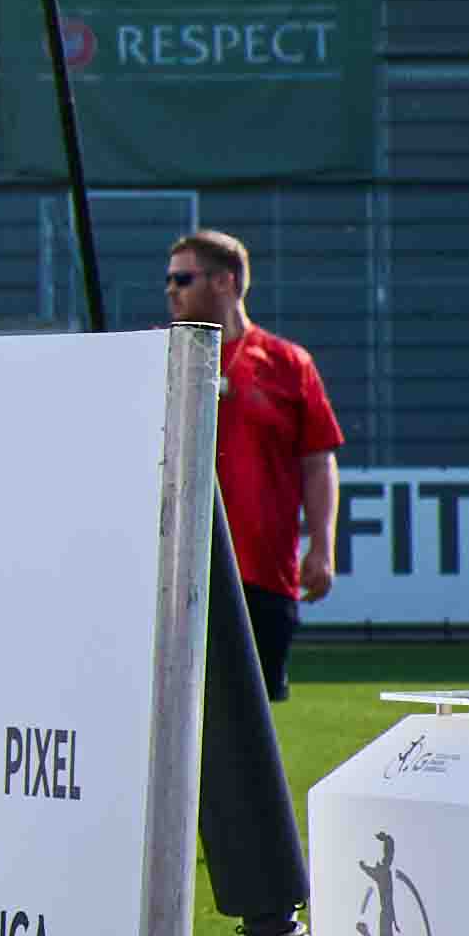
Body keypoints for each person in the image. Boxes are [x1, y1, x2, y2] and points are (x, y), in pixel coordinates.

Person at [178, 230, 340, 690]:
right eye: (170, 280)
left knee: (251, 726)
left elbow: (317, 459)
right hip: (178, 573)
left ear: (225, 282)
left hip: (262, 571)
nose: (170, 290)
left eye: (183, 278)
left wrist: (323, 547)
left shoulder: (287, 363)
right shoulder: (161, 356)